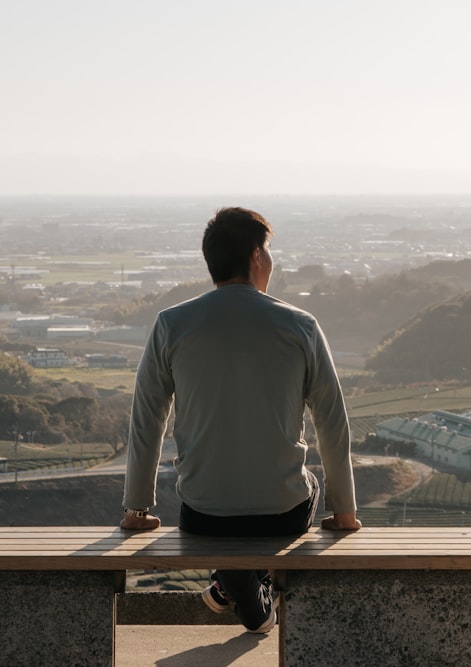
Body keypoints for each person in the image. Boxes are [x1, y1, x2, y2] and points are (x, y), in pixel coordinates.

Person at [120, 206, 360, 634]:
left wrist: (138, 508)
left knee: (218, 506)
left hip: (202, 514)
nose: (271, 261)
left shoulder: (171, 324)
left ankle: (231, 585)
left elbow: (147, 420)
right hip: (282, 512)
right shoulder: (300, 325)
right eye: (268, 251)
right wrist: (344, 512)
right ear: (255, 256)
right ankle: (244, 588)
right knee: (310, 485)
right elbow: (332, 421)